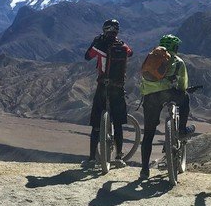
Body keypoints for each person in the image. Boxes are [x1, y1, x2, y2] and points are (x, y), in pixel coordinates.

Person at [139, 34, 195, 179]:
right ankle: (182, 129)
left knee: (149, 134)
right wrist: (181, 90)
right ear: (175, 47)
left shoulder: (152, 57)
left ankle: (144, 170)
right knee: (185, 98)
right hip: (168, 94)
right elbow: (183, 85)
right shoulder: (177, 61)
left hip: (149, 97)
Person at [83, 19, 133, 168]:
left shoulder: (100, 45)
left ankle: (92, 158)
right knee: (118, 123)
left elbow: (87, 56)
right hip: (118, 87)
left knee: (96, 123)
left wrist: (96, 42)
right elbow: (130, 53)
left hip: (103, 86)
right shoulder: (123, 46)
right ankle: (119, 157)